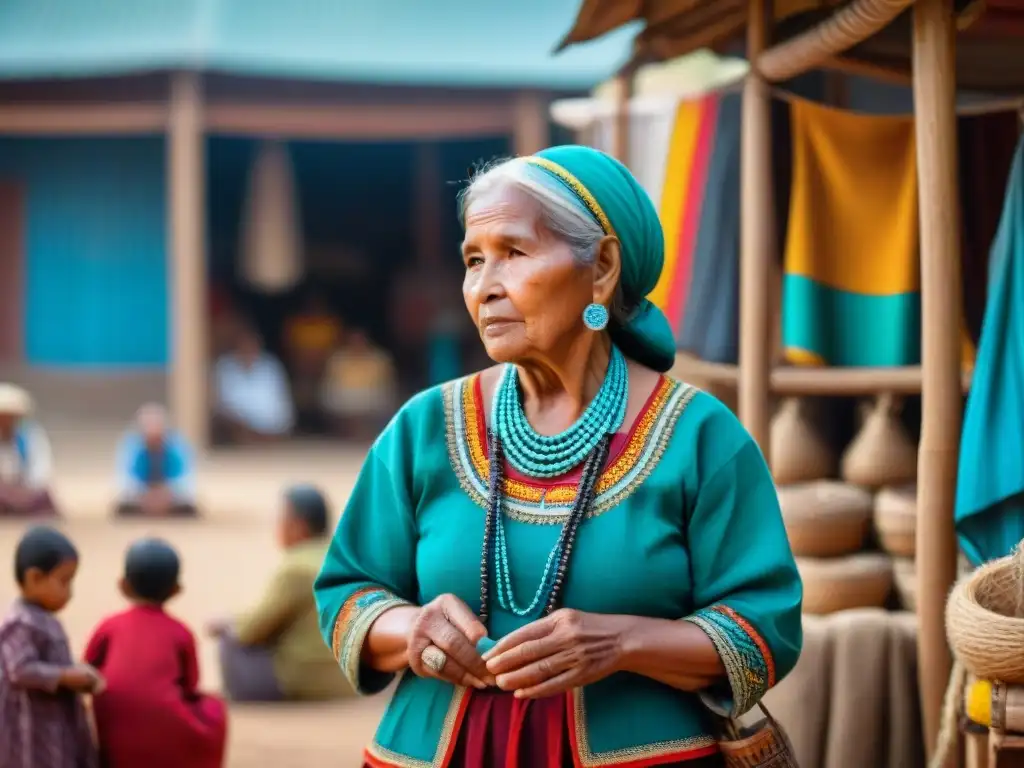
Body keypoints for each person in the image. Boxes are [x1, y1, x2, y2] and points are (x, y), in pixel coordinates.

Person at [313, 146, 803, 767]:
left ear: (600, 267)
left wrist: (623, 642)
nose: (484, 288)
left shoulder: (700, 436)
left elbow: (765, 628)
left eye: (513, 254)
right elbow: (348, 590)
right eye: (472, 260)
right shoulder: (424, 427)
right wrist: (411, 630)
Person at [83, 538, 227, 768]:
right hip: (166, 744)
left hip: (116, 741)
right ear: (176, 590)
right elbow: (190, 686)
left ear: (122, 585)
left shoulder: (109, 626)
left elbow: (87, 671)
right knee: (213, 705)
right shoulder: (180, 631)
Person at [208, 485, 351, 702]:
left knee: (229, 639)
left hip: (304, 679)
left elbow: (252, 629)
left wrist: (227, 622)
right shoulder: (345, 559)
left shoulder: (296, 569)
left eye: (281, 519)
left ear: (299, 526)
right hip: (348, 679)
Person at [0, 526, 101, 768]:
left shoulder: (45, 620)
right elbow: (20, 670)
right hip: (30, 728)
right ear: (34, 577)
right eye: (64, 582)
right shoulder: (20, 623)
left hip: (53, 724)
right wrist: (66, 676)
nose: (70, 593)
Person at [212, 326, 295, 444]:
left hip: (269, 425)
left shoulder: (271, 366)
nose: (248, 349)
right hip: (238, 425)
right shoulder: (225, 367)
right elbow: (221, 403)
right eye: (244, 345)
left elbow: (281, 403)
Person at [114, 404, 199, 518]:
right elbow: (126, 477)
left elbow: (185, 477)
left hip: (170, 493)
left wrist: (167, 493)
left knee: (187, 504)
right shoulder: (133, 446)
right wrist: (144, 494)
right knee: (124, 504)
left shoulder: (177, 446)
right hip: (142, 494)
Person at [320, 330, 397, 440]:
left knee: (376, 397)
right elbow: (330, 382)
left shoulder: (379, 358)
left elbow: (386, 383)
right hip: (344, 395)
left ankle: (364, 433)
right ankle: (347, 433)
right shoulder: (338, 358)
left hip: (370, 395)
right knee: (335, 396)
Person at [0, 383, 59, 517]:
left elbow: (41, 473)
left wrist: (21, 492)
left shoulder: (31, 437)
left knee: (43, 498)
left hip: (25, 491)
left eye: (7, 416)